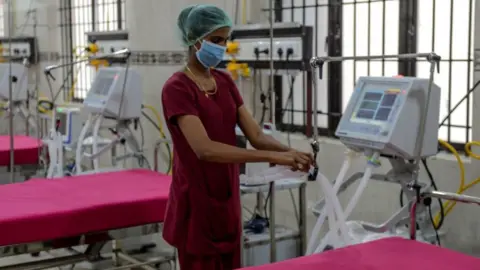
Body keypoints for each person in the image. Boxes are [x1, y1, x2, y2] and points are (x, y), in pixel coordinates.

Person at [161, 4, 314, 270]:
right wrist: (273, 157)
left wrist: (289, 153)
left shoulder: (225, 81)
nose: (222, 46)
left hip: (226, 202)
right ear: (195, 41)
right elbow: (205, 150)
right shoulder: (177, 88)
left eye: (226, 39)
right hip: (195, 204)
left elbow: (255, 135)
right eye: (216, 40)